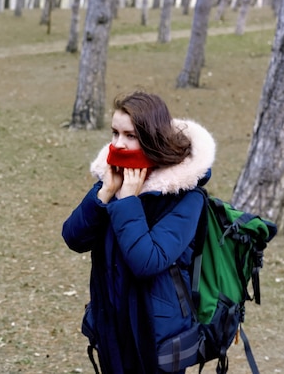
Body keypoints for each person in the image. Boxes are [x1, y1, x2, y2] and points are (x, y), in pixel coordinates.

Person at [62, 91, 216, 373]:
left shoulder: (185, 197)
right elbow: (74, 237)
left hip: (155, 335)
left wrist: (129, 202)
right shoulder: (115, 179)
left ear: (152, 139)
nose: (118, 144)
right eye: (114, 133)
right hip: (111, 321)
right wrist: (105, 193)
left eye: (130, 135)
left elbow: (148, 261)